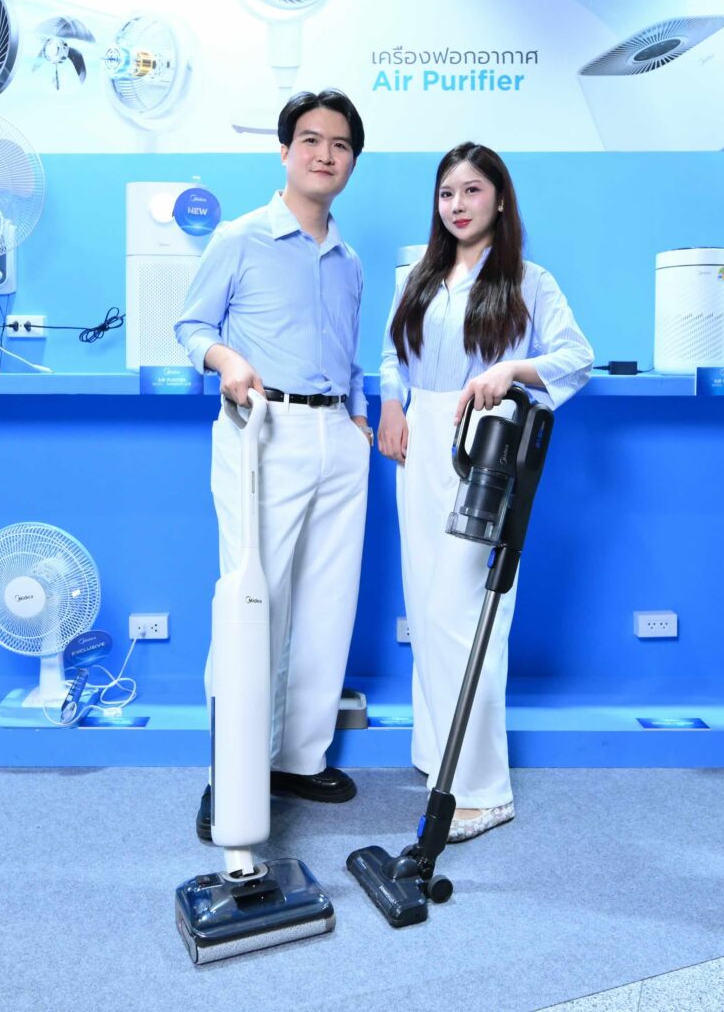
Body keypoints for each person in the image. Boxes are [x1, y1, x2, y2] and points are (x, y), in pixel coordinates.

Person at [377, 142, 593, 842]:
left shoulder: (529, 279)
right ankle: (438, 755)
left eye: (472, 190)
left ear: (499, 199)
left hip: (485, 444)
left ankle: (483, 790)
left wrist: (511, 371)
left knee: (463, 612)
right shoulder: (418, 275)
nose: (458, 205)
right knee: (424, 604)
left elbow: (576, 358)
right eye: (447, 193)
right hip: (418, 441)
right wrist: (391, 403)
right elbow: (391, 354)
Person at [174, 90, 373, 841]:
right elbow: (191, 324)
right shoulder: (241, 237)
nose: (326, 154)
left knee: (327, 604)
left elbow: (348, 354)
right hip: (264, 428)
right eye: (311, 140)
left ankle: (296, 758)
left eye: (341, 145)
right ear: (285, 151)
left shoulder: (349, 262)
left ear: (351, 162)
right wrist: (225, 360)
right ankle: (232, 772)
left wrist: (358, 416)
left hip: (336, 436)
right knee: (253, 600)